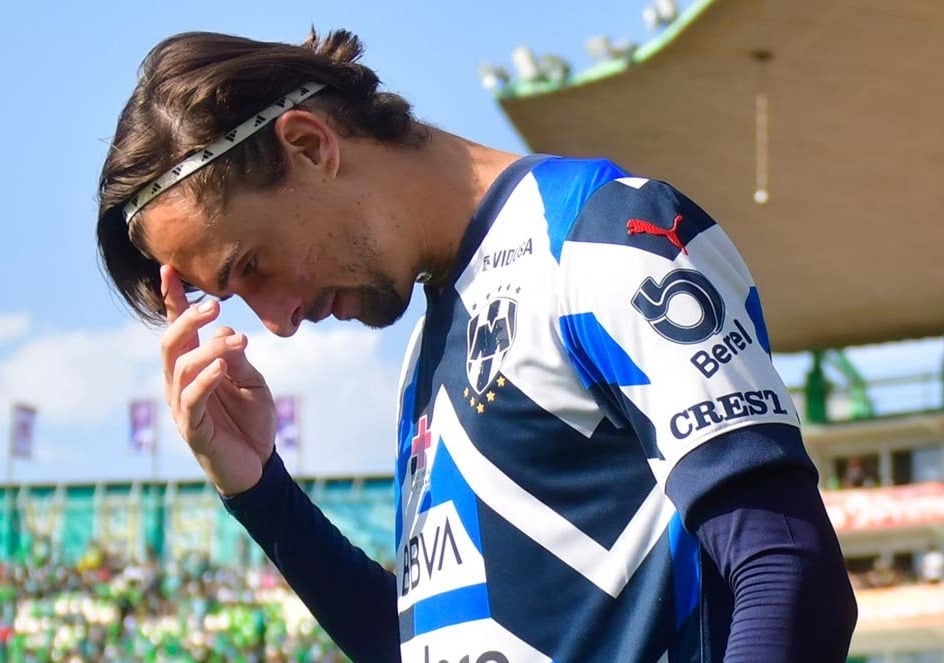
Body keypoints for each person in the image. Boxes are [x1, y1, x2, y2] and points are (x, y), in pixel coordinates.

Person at [95, 27, 858, 663]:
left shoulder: (602, 238)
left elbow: (788, 569)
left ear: (308, 145)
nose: (279, 320)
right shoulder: (427, 341)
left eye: (251, 266)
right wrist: (261, 492)